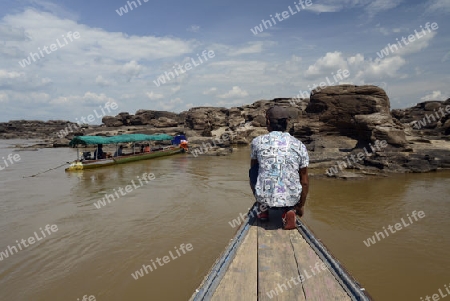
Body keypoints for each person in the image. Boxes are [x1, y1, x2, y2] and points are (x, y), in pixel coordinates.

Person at [250, 105, 309, 230]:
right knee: (299, 173)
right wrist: (301, 205)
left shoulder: (257, 142)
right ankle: (289, 210)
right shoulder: (299, 145)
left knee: (254, 170)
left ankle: (263, 210)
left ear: (268, 122)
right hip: (292, 197)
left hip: (264, 194)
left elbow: (254, 171)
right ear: (287, 122)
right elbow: (304, 181)